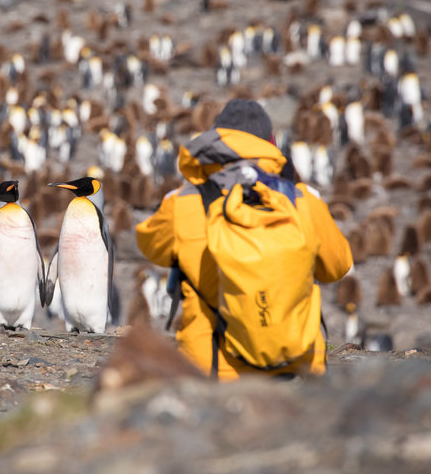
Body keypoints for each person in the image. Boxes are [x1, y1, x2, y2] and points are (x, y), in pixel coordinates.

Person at [135, 98, 353, 380]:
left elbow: (150, 245)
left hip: (212, 370)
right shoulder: (301, 199)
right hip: (296, 368)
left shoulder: (183, 203)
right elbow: (338, 266)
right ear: (269, 143)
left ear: (215, 141)